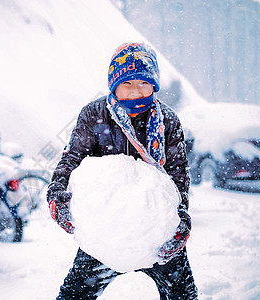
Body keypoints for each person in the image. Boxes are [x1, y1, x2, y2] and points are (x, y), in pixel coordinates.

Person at [47, 43, 198, 299]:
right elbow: (71, 159)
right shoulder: (95, 115)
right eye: (128, 83)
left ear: (154, 85)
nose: (135, 91)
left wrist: (181, 218)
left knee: (182, 295)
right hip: (107, 228)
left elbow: (178, 176)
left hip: (157, 231)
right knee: (75, 295)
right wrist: (57, 194)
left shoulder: (168, 120)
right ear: (114, 83)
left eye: (143, 83)